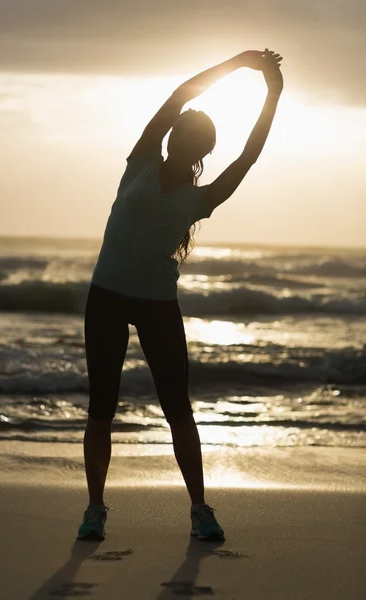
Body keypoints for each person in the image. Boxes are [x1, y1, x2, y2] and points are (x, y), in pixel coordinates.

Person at [77, 48, 284, 541]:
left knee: (178, 409)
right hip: (106, 297)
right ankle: (94, 509)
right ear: (172, 138)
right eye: (185, 132)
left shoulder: (202, 198)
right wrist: (238, 63)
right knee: (101, 406)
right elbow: (179, 97)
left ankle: (200, 508)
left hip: (156, 306)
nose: (188, 140)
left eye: (200, 139)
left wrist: (272, 95)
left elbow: (250, 155)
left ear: (203, 150)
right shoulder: (142, 161)